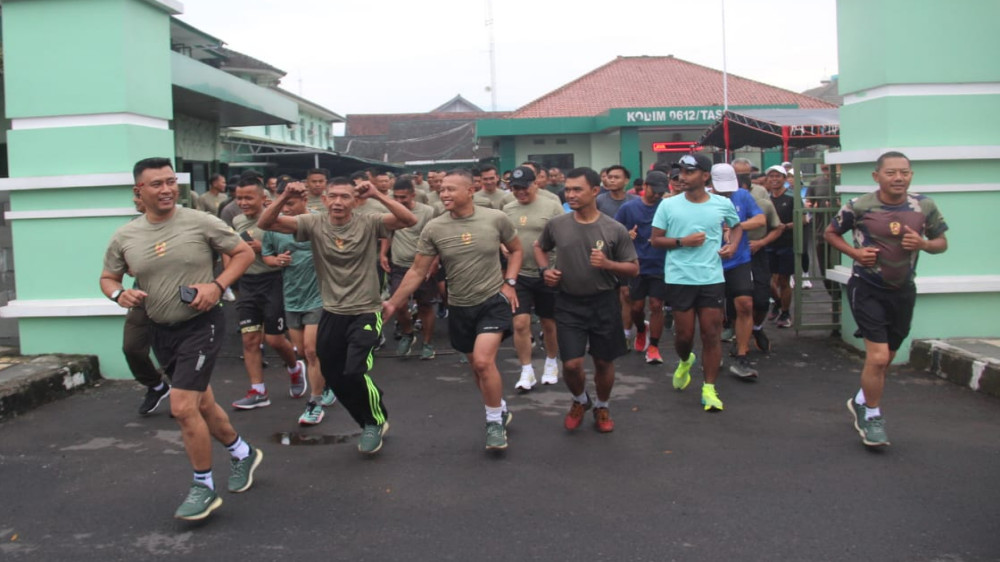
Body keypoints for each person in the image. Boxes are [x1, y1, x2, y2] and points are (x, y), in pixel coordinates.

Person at [101, 157, 261, 521]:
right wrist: (117, 294)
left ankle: (203, 486)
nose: (167, 189)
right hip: (161, 329)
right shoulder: (126, 235)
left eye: (171, 181)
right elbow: (108, 277)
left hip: (201, 324)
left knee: (182, 407)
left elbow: (244, 252)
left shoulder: (200, 221)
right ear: (138, 191)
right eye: (156, 183)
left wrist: (217, 285)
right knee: (202, 404)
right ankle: (241, 452)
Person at [258, 176, 417, 455]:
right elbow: (265, 224)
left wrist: (378, 195)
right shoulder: (313, 223)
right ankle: (366, 414)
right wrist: (283, 197)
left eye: (345, 197)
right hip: (331, 311)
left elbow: (408, 220)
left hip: (366, 311)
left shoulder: (368, 221)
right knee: (333, 373)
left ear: (355, 201)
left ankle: (374, 421)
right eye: (333, 196)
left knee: (355, 369)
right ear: (325, 199)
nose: (338, 202)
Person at [383, 169, 523, 451]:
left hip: (492, 302)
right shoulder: (435, 227)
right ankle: (499, 407)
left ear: (470, 191)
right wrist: (393, 302)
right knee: (476, 367)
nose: (444, 194)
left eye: (451, 189)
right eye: (442, 189)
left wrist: (510, 283)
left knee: (484, 362)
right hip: (460, 306)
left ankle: (494, 422)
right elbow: (417, 270)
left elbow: (516, 250)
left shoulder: (495, 218)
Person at [824, 151, 948, 447]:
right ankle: (873, 416)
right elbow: (830, 233)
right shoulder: (859, 206)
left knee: (887, 356)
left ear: (911, 175)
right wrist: (855, 253)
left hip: (903, 290)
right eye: (891, 172)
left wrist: (924, 244)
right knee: (877, 357)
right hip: (867, 287)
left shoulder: (924, 206)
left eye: (904, 172)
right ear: (876, 176)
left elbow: (942, 243)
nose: (898, 178)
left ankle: (861, 400)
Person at [535, 167, 638, 432]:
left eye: (577, 189)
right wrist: (546, 270)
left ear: (595, 191)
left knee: (604, 361)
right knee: (571, 364)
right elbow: (539, 247)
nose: (571, 194)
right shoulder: (557, 224)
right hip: (568, 302)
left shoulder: (614, 228)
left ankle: (602, 406)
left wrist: (608, 264)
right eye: (568, 189)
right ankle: (580, 400)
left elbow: (633, 268)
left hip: (604, 302)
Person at [650, 154, 741, 412]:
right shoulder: (668, 205)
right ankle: (685, 360)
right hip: (679, 277)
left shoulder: (722, 204)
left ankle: (709, 388)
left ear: (705, 176)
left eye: (689, 172)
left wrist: (732, 246)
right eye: (680, 172)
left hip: (711, 277)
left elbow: (736, 227)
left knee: (711, 333)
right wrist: (682, 241)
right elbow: (656, 240)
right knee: (684, 335)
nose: (683, 177)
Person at [260, 179, 337, 426]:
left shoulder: (320, 221)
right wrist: (277, 261)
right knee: (303, 353)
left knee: (313, 351)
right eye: (285, 203)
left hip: (319, 295)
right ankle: (327, 381)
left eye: (292, 203)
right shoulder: (275, 226)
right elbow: (267, 257)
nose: (287, 209)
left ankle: (314, 404)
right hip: (292, 296)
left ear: (305, 199)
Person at [229, 176, 306, 410]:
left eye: (248, 198)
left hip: (274, 282)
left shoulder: (277, 220)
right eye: (239, 197)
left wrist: (262, 249)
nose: (243, 202)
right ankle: (258, 391)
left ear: (264, 198)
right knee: (250, 339)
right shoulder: (237, 220)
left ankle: (294, 368)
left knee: (273, 339)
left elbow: (290, 249)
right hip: (248, 284)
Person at [503, 166, 564, 391]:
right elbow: (502, 234)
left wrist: (557, 269)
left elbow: (564, 236)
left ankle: (550, 362)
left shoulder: (552, 205)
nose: (520, 192)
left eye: (524, 187)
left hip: (546, 273)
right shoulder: (507, 208)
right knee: (520, 323)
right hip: (518, 274)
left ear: (535, 184)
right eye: (515, 188)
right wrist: (503, 247)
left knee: (549, 323)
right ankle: (526, 370)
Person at [710, 164, 765, 379]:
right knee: (713, 313)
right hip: (711, 263)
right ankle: (713, 353)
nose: (727, 192)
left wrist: (736, 226)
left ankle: (741, 355)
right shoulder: (702, 200)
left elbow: (760, 219)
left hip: (738, 260)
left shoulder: (742, 196)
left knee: (745, 304)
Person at [380, 176, 439, 360]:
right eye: (396, 197)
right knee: (398, 304)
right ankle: (408, 332)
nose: (399, 201)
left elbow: (438, 238)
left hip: (423, 267)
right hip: (399, 266)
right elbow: (387, 235)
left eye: (403, 197)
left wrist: (435, 261)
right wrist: (383, 254)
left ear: (413, 195)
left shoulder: (428, 212)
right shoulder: (391, 212)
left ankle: (427, 343)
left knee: (425, 306)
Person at [614, 171, 670, 365]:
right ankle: (640, 329)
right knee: (636, 307)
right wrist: (626, 235)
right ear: (645, 186)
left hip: (660, 264)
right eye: (655, 191)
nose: (658, 195)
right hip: (636, 265)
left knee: (656, 305)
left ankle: (654, 347)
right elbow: (614, 232)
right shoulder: (628, 208)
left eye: (662, 192)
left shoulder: (666, 207)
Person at [764, 165, 795, 328]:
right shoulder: (766, 199)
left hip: (787, 244)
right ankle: (777, 303)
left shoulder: (792, 197)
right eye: (771, 176)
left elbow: (804, 219)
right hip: (768, 243)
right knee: (767, 280)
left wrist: (786, 226)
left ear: (784, 179)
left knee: (784, 279)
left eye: (777, 176)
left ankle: (785, 312)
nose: (774, 179)